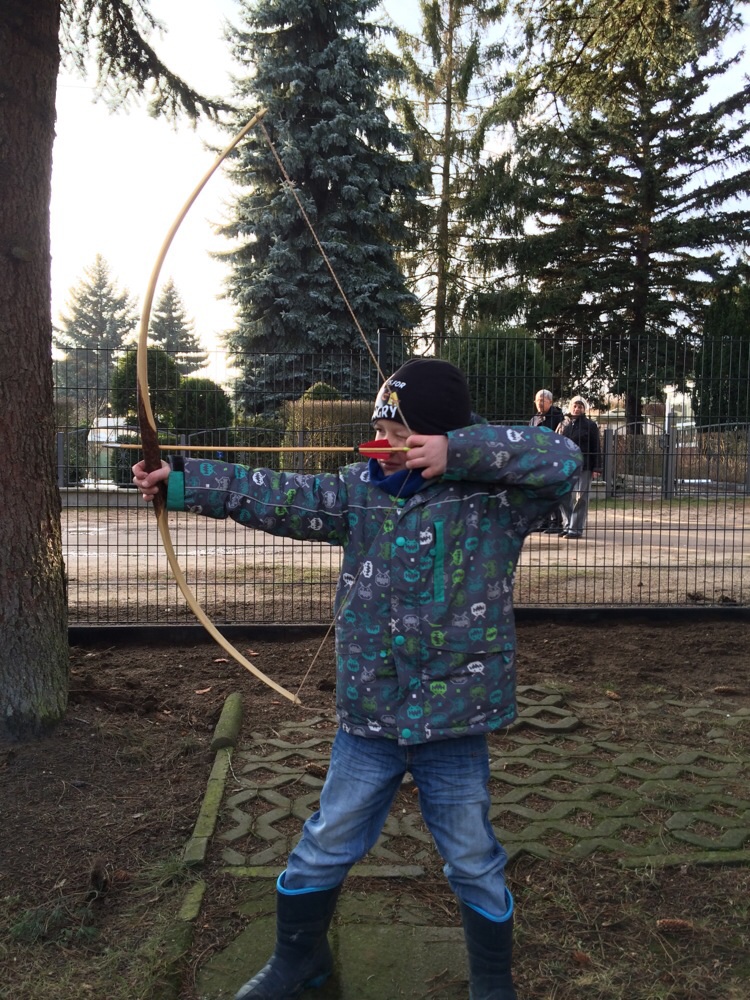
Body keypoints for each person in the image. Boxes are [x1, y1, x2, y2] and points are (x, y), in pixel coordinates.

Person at [133, 358, 582, 1000]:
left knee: (473, 858)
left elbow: (564, 458)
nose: (380, 443)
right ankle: (300, 962)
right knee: (326, 842)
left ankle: (492, 984)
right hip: (371, 716)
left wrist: (457, 452)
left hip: (454, 721)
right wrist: (180, 482)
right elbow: (280, 495)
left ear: (438, 435)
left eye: (397, 433)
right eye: (378, 429)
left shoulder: (496, 500)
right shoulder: (359, 491)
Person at [556, 396, 601, 539]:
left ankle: (576, 529)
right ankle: (568, 524)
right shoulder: (565, 425)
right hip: (566, 466)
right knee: (564, 495)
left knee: (581, 497)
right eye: (575, 406)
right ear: (570, 407)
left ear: (584, 409)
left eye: (580, 407)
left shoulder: (590, 425)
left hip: (584, 465)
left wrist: (597, 468)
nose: (577, 409)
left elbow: (596, 447)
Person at [528, 389, 564, 534]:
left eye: (543, 400)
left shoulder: (558, 417)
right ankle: (544, 521)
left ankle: (557, 521)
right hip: (537, 459)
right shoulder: (534, 419)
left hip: (553, 458)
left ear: (550, 402)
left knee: (552, 491)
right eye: (537, 400)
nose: (540, 403)